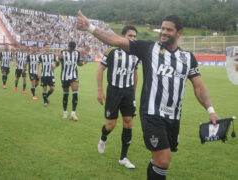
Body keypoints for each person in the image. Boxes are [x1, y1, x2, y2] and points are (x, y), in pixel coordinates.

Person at [77, 12, 220, 179]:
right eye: (163, 28)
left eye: (169, 30)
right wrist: (90, 28)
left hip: (174, 116)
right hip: (152, 114)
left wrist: (210, 110)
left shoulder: (188, 58)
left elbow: (199, 87)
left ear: (179, 32)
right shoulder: (149, 48)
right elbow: (116, 40)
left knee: (160, 161)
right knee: (163, 160)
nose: (164, 32)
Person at [97, 26, 139, 169]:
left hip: (128, 93)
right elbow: (101, 69)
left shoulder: (136, 54)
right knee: (111, 125)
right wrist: (100, 91)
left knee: (128, 122)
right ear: (122, 36)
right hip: (114, 91)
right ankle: (103, 137)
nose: (133, 38)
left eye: (134, 36)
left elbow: (135, 73)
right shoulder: (112, 51)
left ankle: (123, 158)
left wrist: (133, 92)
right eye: (130, 35)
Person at [57, 41, 87, 121]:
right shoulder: (63, 51)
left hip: (74, 75)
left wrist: (83, 62)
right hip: (64, 76)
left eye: (73, 49)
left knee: (75, 92)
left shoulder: (77, 52)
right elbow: (57, 62)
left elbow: (78, 63)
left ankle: (73, 113)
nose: (72, 50)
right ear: (68, 47)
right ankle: (65, 111)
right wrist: (58, 59)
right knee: (66, 94)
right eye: (71, 49)